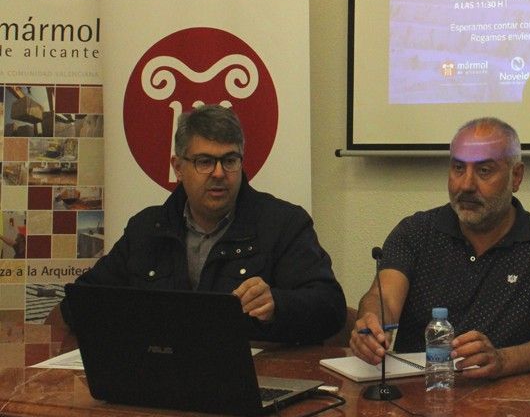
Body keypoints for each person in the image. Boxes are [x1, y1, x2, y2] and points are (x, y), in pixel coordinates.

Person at [60, 104, 346, 344]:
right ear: (178, 167)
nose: (219, 173)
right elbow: (80, 304)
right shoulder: (147, 229)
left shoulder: (283, 224)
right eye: (205, 162)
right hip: (159, 377)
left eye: (229, 160)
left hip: (251, 378)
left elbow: (331, 308)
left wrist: (277, 304)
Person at [350, 117, 530, 379]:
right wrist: (372, 322)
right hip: (421, 391)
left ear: (516, 176)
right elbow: (384, 298)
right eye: (458, 168)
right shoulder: (416, 233)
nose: (466, 185)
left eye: (484, 171)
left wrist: (505, 360)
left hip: (513, 398)